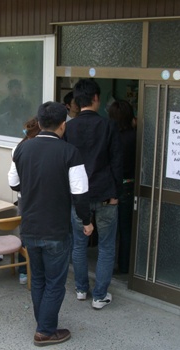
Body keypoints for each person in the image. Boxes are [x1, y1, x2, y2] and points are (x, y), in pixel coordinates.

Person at [8, 101, 93, 347]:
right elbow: (80, 194)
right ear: (62, 126)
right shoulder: (70, 152)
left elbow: (14, 183)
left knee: (39, 279)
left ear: (40, 121)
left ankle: (43, 324)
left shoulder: (22, 149)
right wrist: (86, 222)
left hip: (30, 226)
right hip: (56, 228)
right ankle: (45, 330)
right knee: (56, 282)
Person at [65, 78, 123, 310]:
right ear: (96, 98)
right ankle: (99, 295)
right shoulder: (108, 126)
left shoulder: (68, 128)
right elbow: (117, 163)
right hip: (106, 194)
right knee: (107, 246)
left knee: (79, 244)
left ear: (76, 102)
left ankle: (81, 289)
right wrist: (117, 193)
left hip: (79, 197)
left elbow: (66, 165)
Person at [108, 100, 136, 274]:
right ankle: (125, 264)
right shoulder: (135, 135)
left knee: (110, 230)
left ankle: (107, 265)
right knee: (126, 229)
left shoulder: (110, 136)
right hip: (130, 185)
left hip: (111, 186)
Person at [14, 117, 40, 285]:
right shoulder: (35, 148)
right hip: (38, 199)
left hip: (24, 199)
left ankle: (24, 271)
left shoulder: (19, 148)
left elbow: (13, 182)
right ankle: (29, 270)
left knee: (25, 233)